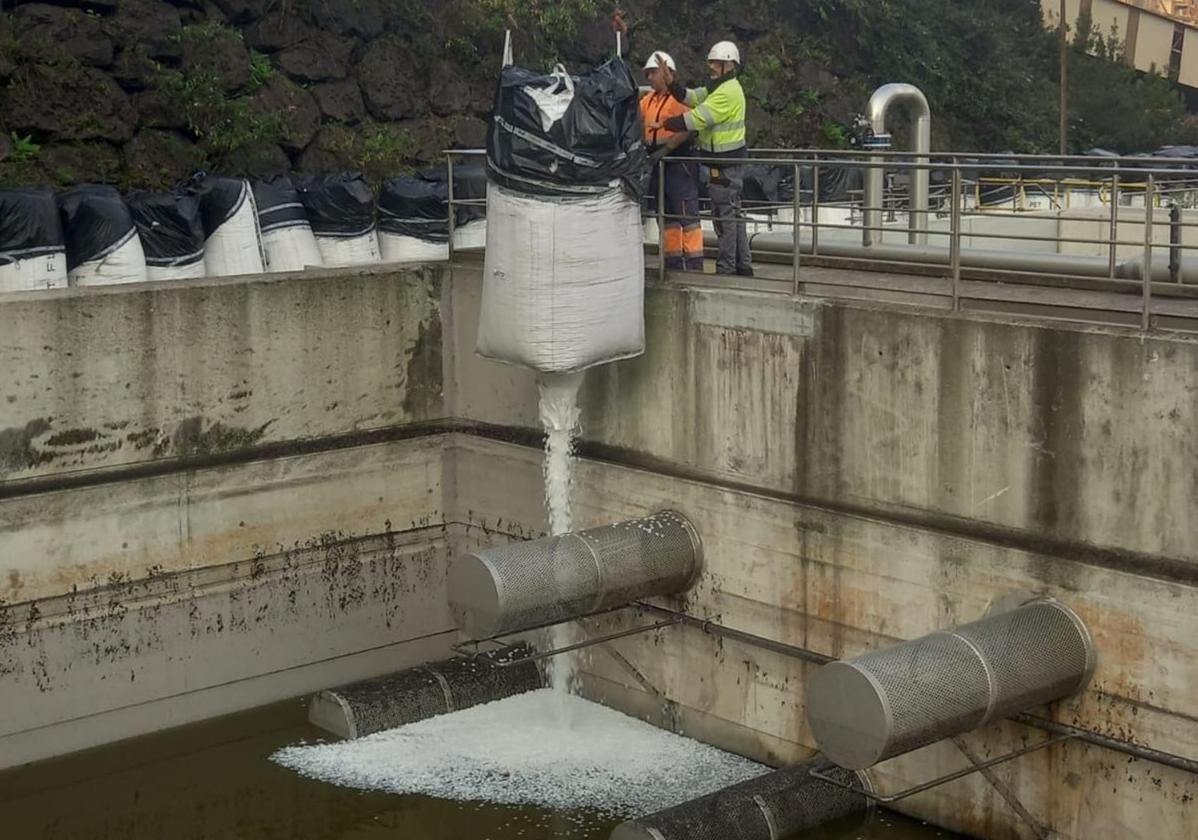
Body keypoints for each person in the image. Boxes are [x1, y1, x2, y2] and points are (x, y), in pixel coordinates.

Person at [652, 40, 752, 277]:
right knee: (732, 213)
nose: (711, 67)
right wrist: (672, 84)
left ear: (729, 65)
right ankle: (743, 264)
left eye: (716, 64)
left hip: (726, 163)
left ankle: (727, 268)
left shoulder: (727, 92)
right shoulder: (718, 87)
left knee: (723, 216)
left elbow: (696, 119)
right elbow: (692, 97)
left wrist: (665, 123)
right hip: (724, 162)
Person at [639, 51, 704, 272]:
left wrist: (668, 148)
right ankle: (673, 262)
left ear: (668, 73)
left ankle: (694, 264)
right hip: (657, 162)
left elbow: (688, 126)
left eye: (653, 73)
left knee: (687, 213)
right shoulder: (648, 100)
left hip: (679, 161)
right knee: (666, 214)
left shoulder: (679, 99)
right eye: (647, 74)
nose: (649, 78)